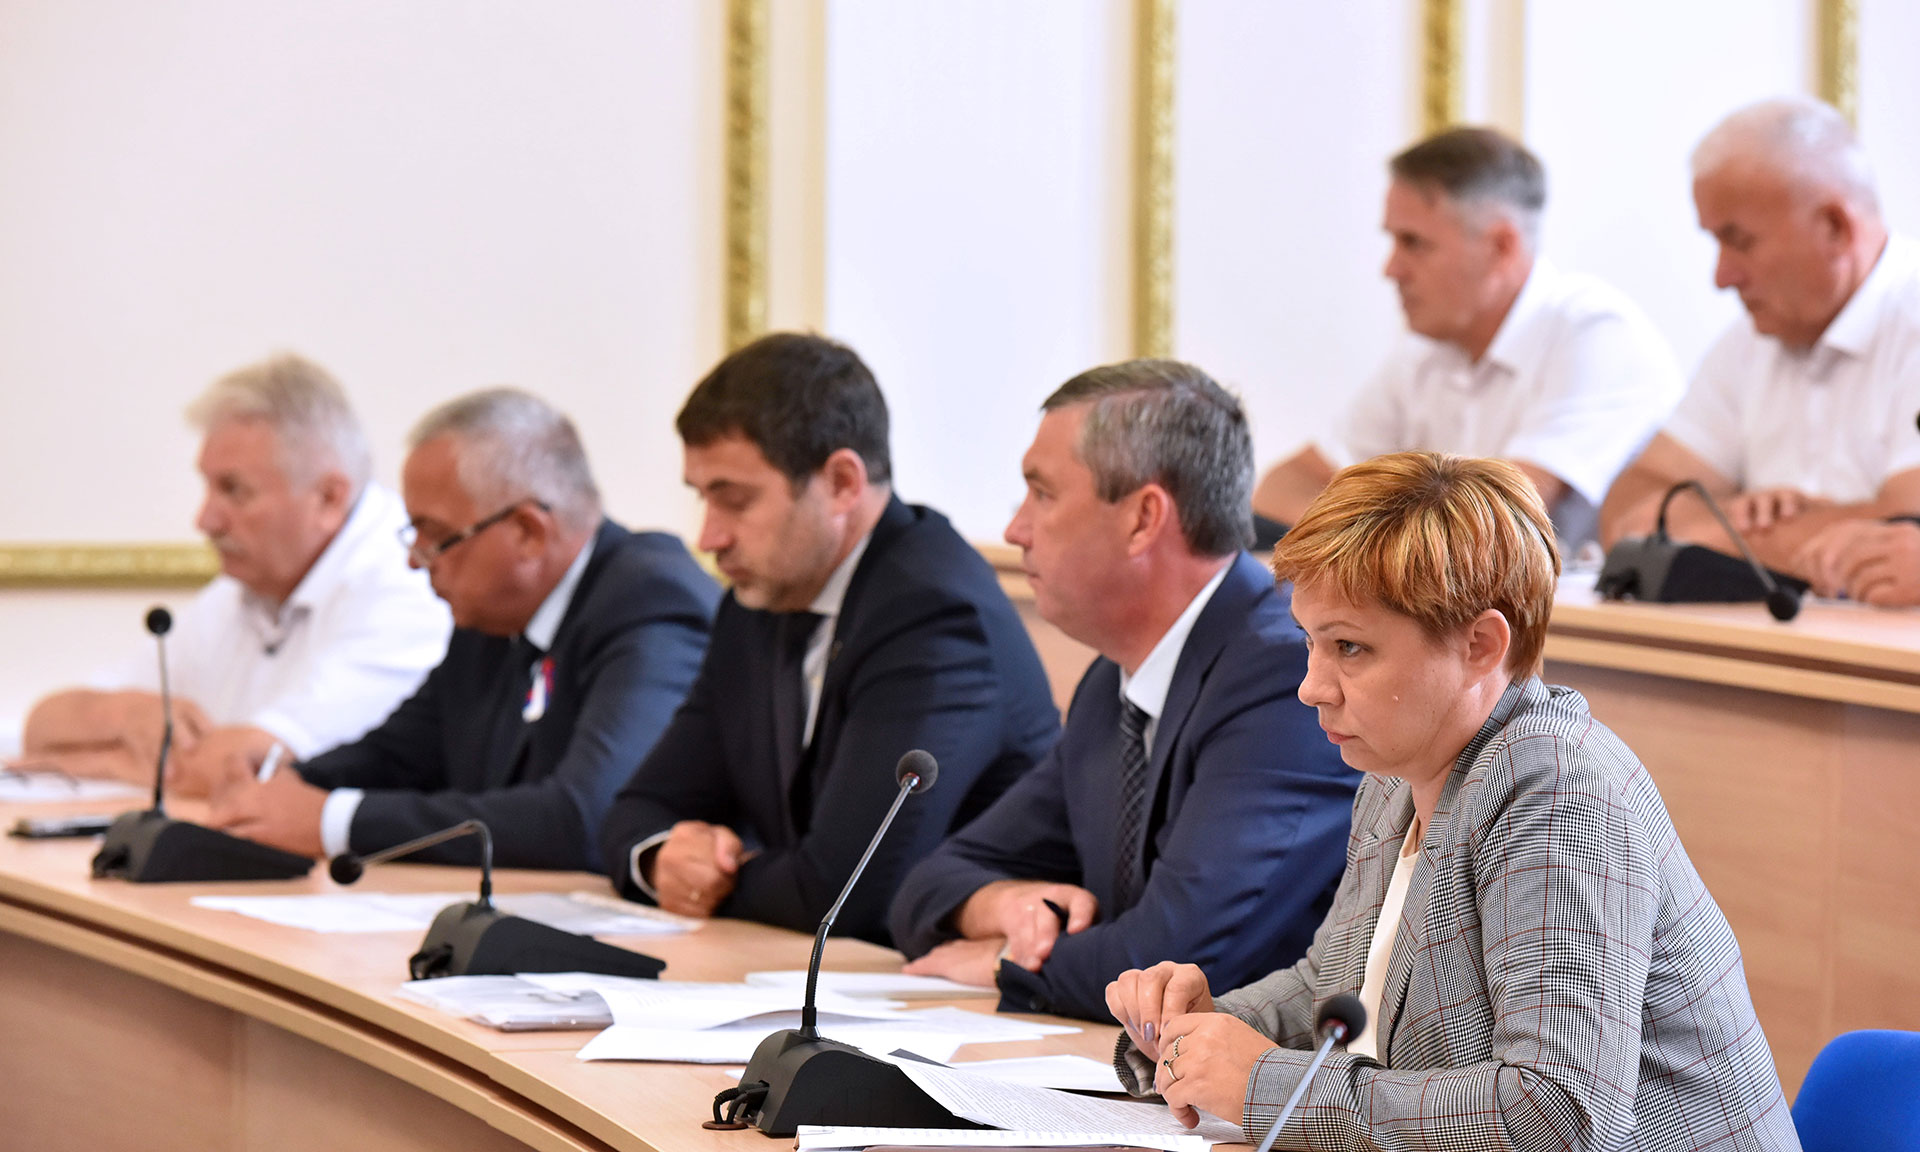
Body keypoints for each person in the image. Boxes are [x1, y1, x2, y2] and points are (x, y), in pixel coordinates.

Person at [1109, 452, 1798, 1150]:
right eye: (1309, 642)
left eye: (1350, 647)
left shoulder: (1560, 789)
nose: (1311, 687)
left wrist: (1264, 1083)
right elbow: (1336, 988)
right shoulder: (1396, 771)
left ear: (1481, 646)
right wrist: (1197, 1032)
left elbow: (1557, 1115)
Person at [890, 359, 1357, 1022]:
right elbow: (926, 886)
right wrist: (1001, 905)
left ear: (1143, 519)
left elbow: (1176, 957)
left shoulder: (1286, 675)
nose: (1016, 529)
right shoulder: (1115, 679)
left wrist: (1008, 965)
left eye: (1042, 494)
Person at [599, 333, 1059, 944]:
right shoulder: (759, 600)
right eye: (703, 499)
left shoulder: (934, 613)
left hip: (953, 979)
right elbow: (637, 808)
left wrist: (717, 878)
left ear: (842, 482)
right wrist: (664, 858)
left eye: (734, 501)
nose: (709, 538)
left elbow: (846, 894)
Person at [206, 388, 718, 871]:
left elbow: (585, 817)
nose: (414, 560)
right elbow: (398, 755)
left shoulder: (651, 602)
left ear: (528, 533)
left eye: (436, 536)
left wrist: (333, 823)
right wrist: (279, 783)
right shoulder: (491, 618)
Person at [21, 354, 448, 791]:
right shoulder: (243, 588)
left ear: (328, 498)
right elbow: (42, 726)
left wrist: (106, 763)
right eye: (208, 487)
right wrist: (123, 715)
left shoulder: (406, 586)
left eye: (234, 490)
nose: (205, 520)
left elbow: (257, 768)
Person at [1254, 127, 1681, 549]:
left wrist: (1356, 533)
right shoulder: (1427, 348)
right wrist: (1376, 536)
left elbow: (1496, 525)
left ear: (1501, 247)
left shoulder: (1595, 334)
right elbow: (1285, 485)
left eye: (1414, 243)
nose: (1391, 269)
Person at [1601, 97, 1920, 575]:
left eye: (1740, 241)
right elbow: (1630, 510)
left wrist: (1710, 532)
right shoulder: (1750, 341)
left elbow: (1905, 528)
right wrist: (1742, 519)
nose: (1721, 276)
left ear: (1834, 227)